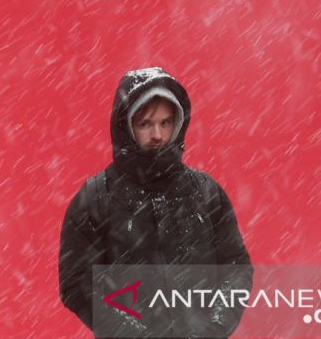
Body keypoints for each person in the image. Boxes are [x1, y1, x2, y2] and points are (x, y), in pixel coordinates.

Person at [58, 67, 252, 337]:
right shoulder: (94, 199)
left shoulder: (206, 192)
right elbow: (77, 283)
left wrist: (211, 329)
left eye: (165, 122)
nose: (158, 134)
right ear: (125, 126)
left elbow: (236, 268)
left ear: (178, 123)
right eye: (145, 124)